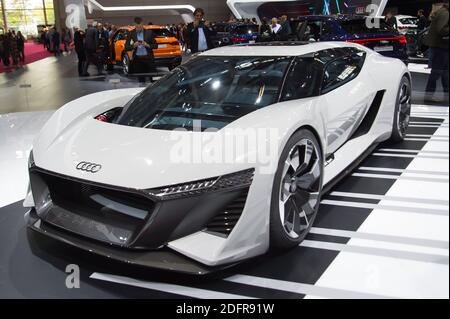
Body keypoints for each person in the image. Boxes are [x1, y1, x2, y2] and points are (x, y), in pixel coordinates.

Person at [424, 0, 449, 102]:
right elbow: (442, 29)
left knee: (445, 74)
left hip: (442, 47)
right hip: (441, 47)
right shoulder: (445, 13)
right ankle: (428, 96)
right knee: (437, 73)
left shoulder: (443, 11)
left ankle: (446, 96)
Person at [125, 17, 158, 83]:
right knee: (141, 80)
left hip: (149, 59)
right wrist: (134, 45)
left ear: (142, 24)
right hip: (138, 60)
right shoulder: (131, 33)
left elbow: (156, 46)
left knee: (153, 80)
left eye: (140, 27)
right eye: (137, 27)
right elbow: (126, 47)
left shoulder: (149, 33)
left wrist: (147, 45)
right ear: (134, 24)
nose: (138, 28)